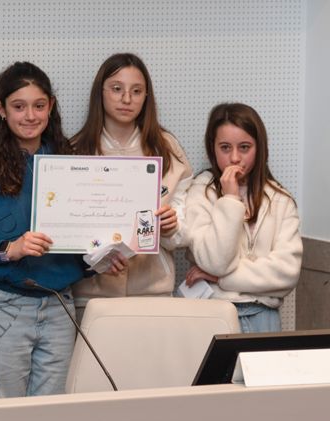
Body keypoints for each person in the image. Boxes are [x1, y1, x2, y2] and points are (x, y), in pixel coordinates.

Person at [0, 61, 87, 399]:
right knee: (0, 419)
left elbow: (83, 242)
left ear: (51, 106)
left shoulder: (73, 165)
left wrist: (104, 256)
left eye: (39, 106)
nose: (30, 116)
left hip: (60, 306)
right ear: (1, 109)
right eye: (19, 106)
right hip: (4, 308)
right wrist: (10, 248)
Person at [70, 53, 193, 314]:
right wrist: (95, 258)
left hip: (153, 292)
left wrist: (173, 227)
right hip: (92, 295)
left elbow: (185, 220)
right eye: (117, 89)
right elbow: (68, 226)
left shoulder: (168, 149)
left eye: (136, 91)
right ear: (100, 93)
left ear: (146, 97)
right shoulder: (75, 151)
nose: (127, 99)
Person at [185, 103, 302, 333]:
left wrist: (221, 279)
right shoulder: (201, 193)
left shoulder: (280, 199)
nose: (235, 158)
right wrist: (229, 199)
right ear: (213, 148)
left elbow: (286, 273)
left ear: (259, 148)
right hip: (214, 313)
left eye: (245, 147)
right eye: (225, 147)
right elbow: (215, 262)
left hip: (264, 316)